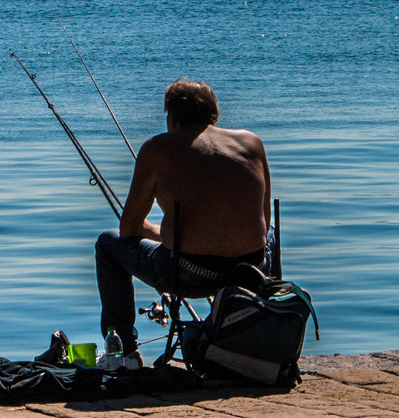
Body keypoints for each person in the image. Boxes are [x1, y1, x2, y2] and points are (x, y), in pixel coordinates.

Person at [95, 80, 273, 356]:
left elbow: (129, 228)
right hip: (253, 270)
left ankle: (123, 352)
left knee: (107, 243)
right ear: (214, 115)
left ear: (172, 118)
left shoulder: (156, 148)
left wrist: (163, 234)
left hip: (189, 273)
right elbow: (264, 220)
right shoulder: (252, 143)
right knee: (269, 235)